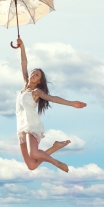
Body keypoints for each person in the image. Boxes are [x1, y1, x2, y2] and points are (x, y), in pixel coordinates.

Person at [16, 38, 87, 172]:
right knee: (32, 166)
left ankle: (57, 163)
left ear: (39, 81)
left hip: (31, 124)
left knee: (34, 154)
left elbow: (52, 98)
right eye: (34, 72)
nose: (34, 74)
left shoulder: (36, 91)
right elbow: (23, 63)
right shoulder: (25, 86)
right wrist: (22, 46)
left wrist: (71, 103)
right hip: (21, 127)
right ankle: (55, 147)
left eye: (37, 75)